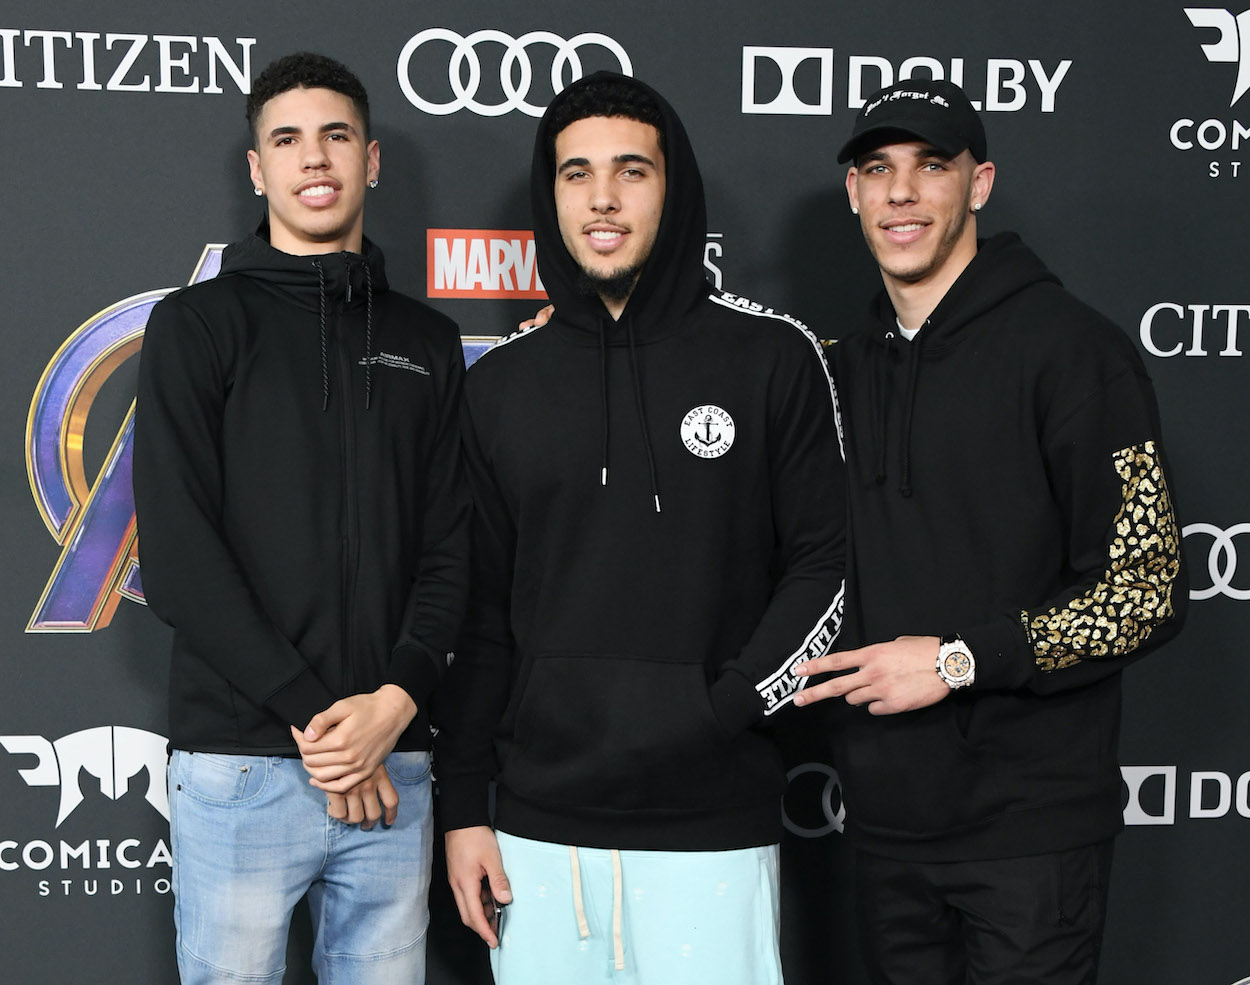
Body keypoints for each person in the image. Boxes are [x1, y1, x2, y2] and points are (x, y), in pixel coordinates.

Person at [432, 72, 846, 985]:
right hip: (537, 837)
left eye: (632, 171)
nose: (604, 198)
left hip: (714, 827)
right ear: (552, 197)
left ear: (675, 187)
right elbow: (477, 616)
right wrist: (464, 807)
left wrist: (721, 708)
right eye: (576, 174)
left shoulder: (772, 357)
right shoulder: (501, 385)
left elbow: (825, 567)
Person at [793, 78, 1187, 984]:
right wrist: (580, 334)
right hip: (883, 831)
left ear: (979, 184)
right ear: (852, 193)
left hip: (1031, 841)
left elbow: (1148, 587)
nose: (902, 193)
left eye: (932, 167)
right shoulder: (836, 371)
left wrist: (958, 657)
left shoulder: (1075, 350)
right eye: (879, 169)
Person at [133, 52, 468, 985]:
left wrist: (393, 704)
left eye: (335, 136)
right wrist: (326, 728)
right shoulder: (196, 326)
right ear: (257, 169)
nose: (313, 158)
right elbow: (178, 556)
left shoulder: (427, 342)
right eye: (287, 139)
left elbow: (451, 549)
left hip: (393, 766)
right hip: (245, 764)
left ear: (372, 160)